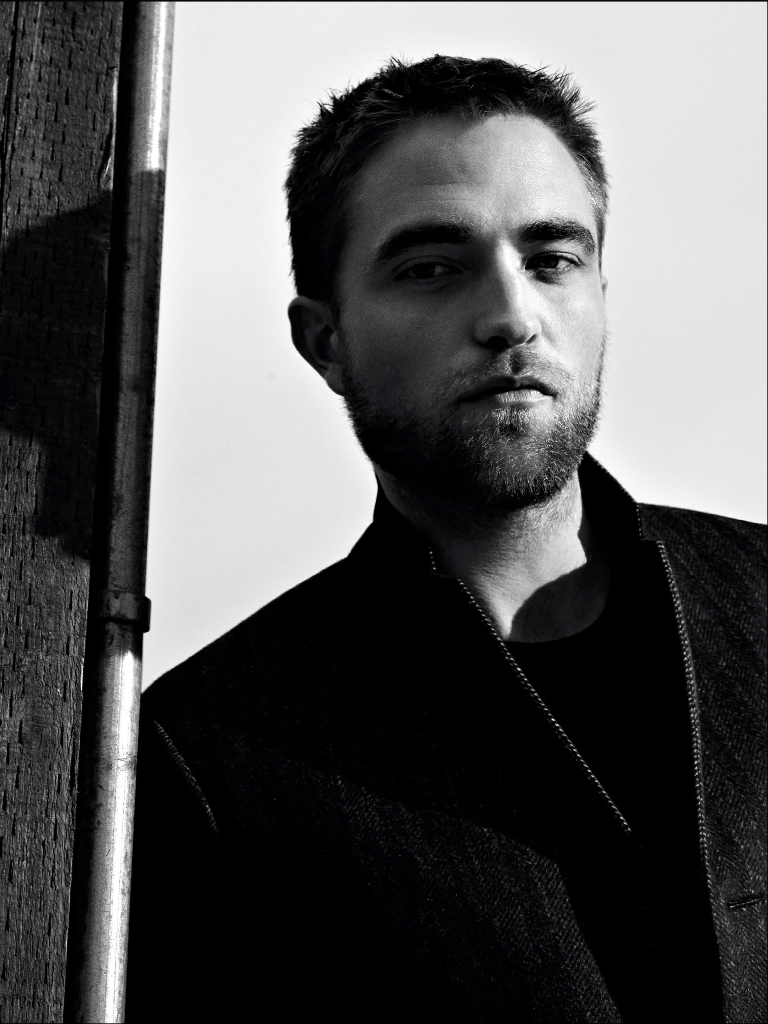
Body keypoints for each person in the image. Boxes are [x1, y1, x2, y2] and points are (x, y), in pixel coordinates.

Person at [126, 56, 766, 1023]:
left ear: (601, 291)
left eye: (552, 260)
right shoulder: (212, 757)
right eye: (431, 269)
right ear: (324, 341)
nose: (512, 317)